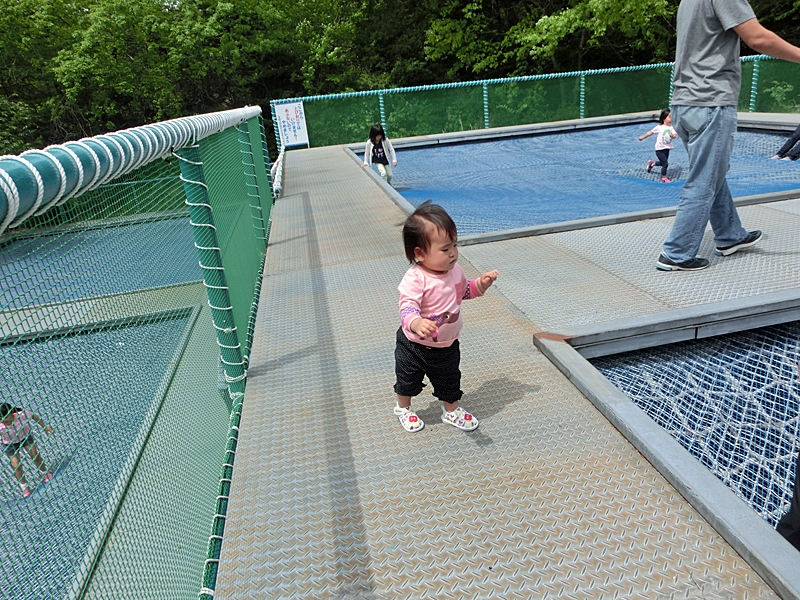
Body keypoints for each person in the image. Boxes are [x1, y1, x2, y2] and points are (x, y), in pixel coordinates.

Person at [656, 0, 800, 272]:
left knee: (712, 174)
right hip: (710, 101)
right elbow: (757, 37)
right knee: (704, 180)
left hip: (684, 103)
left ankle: (729, 235)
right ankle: (676, 252)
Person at [394, 201, 498, 433]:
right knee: (407, 380)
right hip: (414, 346)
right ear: (419, 254)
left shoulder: (456, 271)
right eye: (444, 249)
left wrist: (481, 284)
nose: (452, 253)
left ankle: (451, 411)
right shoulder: (416, 278)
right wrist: (417, 322)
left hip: (447, 345)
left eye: (454, 245)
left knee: (450, 381)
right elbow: (407, 307)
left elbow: (464, 292)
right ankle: (403, 408)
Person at [1, 403, 53, 498]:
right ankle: (24, 486)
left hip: (25, 437)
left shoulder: (21, 415)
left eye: (5, 418)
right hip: (10, 444)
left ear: (12, 412)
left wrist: (45, 427)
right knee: (16, 465)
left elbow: (34, 416)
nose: (3, 421)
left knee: (35, 456)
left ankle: (44, 473)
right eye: (0, 419)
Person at [639, 108, 678, 183]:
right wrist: (642, 137)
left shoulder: (672, 127)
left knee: (662, 162)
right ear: (664, 118)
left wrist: (672, 136)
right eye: (669, 117)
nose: (671, 119)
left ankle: (652, 164)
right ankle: (663, 178)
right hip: (659, 149)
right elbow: (650, 132)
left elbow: (674, 136)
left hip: (667, 148)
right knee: (665, 164)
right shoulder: (659, 127)